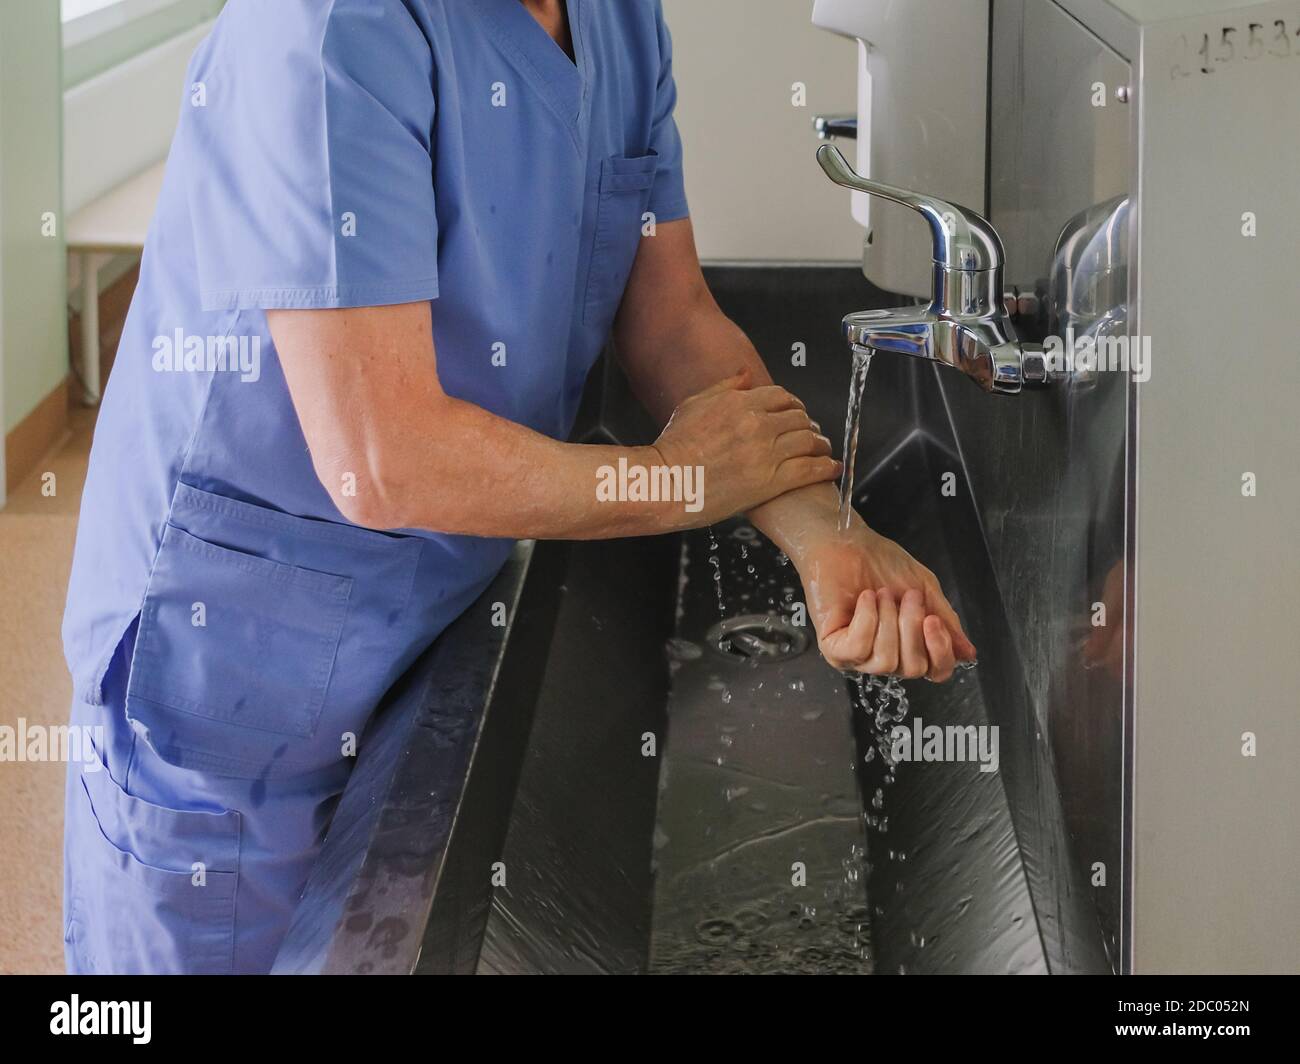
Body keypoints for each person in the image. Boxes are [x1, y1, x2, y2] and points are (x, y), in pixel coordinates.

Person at [60, 0, 975, 975]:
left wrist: (819, 528)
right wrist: (673, 481)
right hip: (242, 660)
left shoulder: (614, 18)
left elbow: (670, 321)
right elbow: (382, 455)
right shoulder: (326, 29)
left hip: (429, 603)